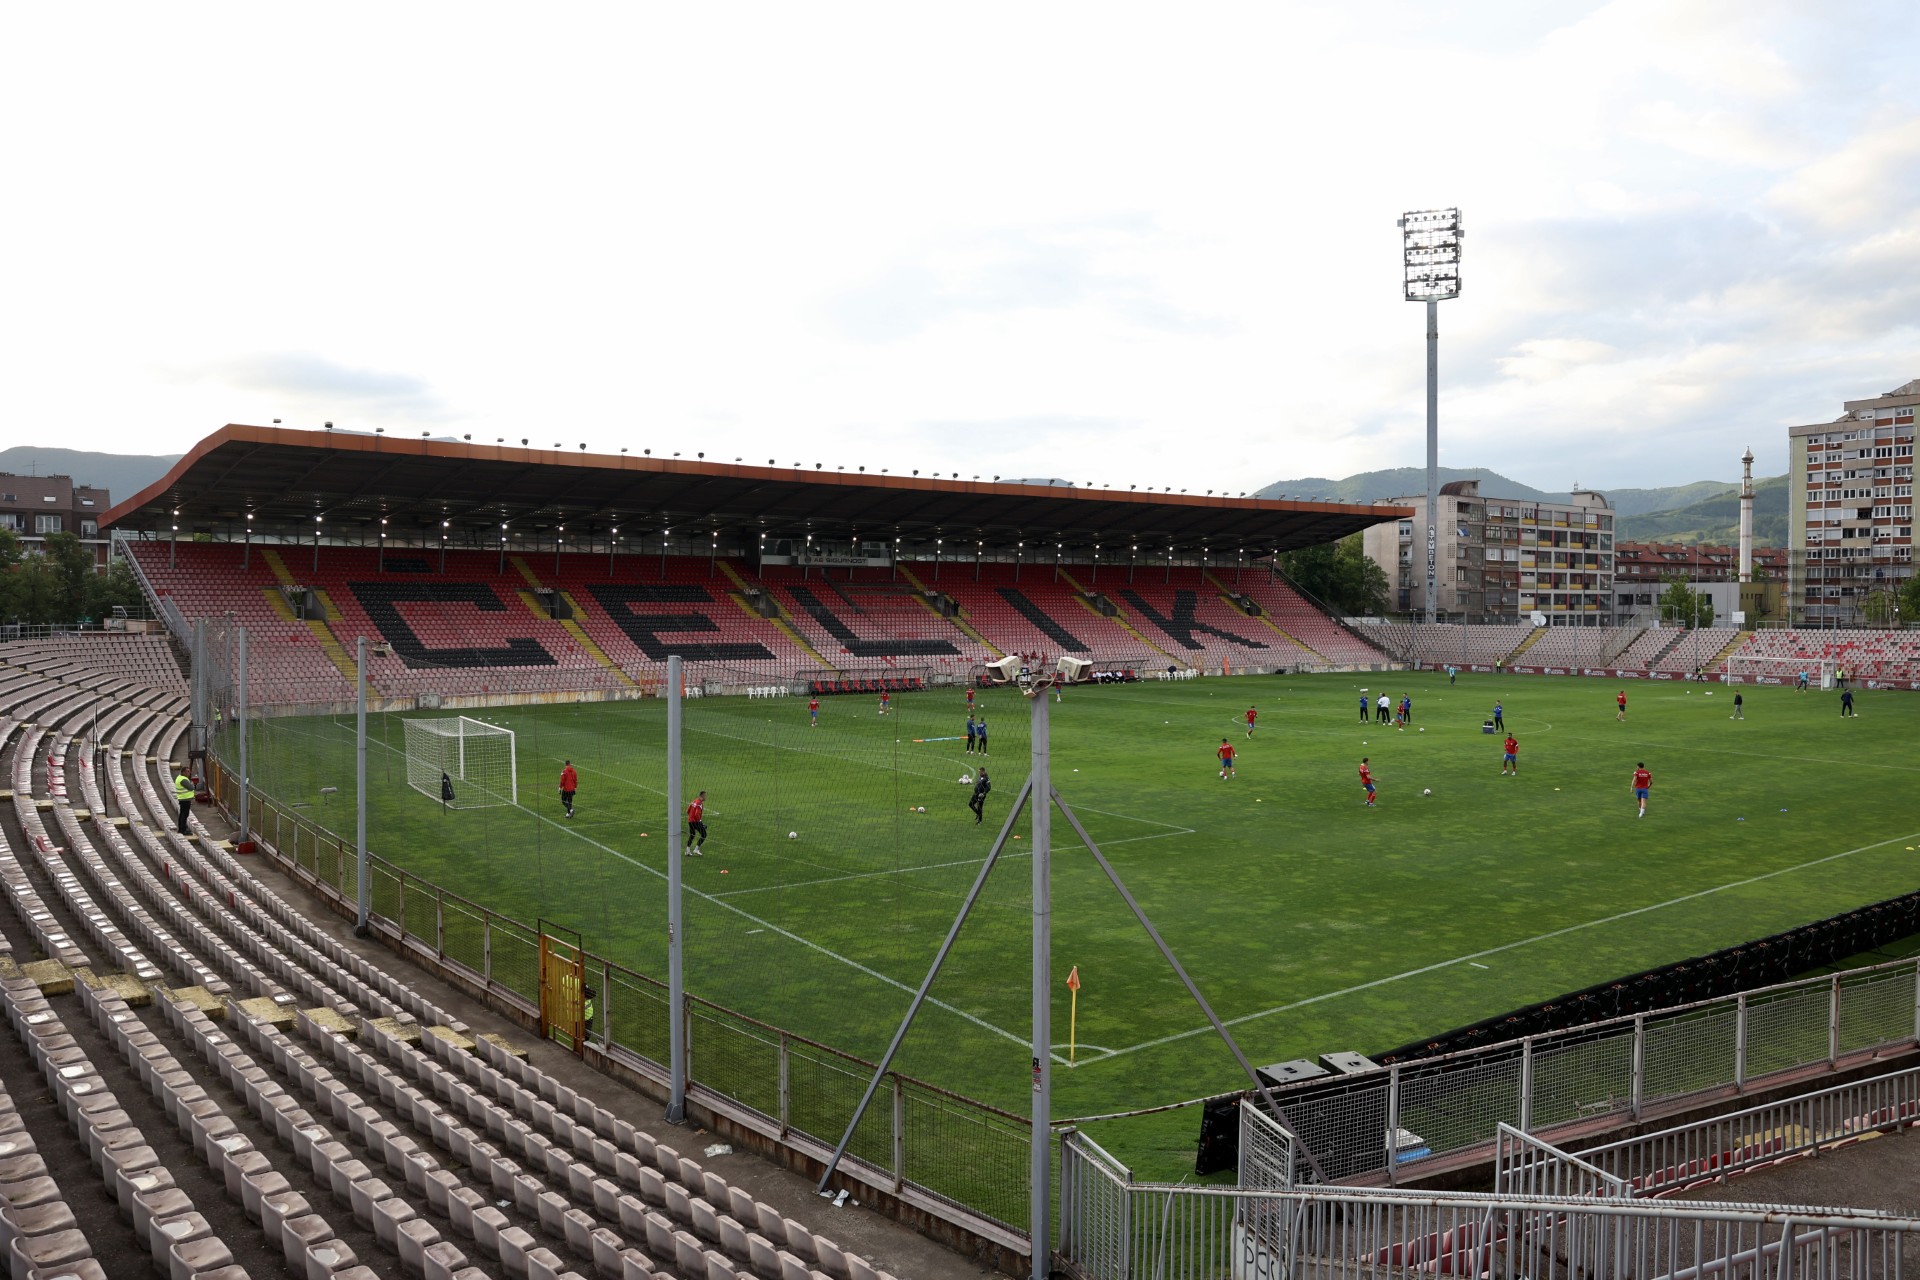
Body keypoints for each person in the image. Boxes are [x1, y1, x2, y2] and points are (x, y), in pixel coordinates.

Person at [173, 767, 197, 835]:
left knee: (182, 814)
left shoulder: (180, 778)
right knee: (185, 814)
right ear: (183, 772)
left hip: (183, 798)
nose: (189, 773)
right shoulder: (183, 780)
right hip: (185, 799)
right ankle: (183, 829)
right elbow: (191, 788)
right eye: (187, 771)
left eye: (189, 771)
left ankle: (181, 828)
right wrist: (192, 783)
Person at [686, 790, 709, 854]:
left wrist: (691, 817)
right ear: (703, 796)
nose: (706, 797)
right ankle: (696, 849)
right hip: (695, 821)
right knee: (704, 834)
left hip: (690, 821)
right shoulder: (699, 803)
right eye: (705, 796)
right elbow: (697, 814)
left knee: (692, 835)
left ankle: (687, 850)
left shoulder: (694, 801)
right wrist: (700, 822)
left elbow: (688, 811)